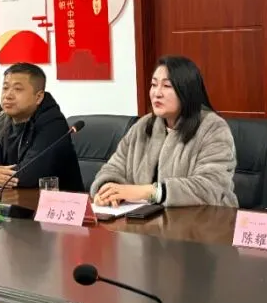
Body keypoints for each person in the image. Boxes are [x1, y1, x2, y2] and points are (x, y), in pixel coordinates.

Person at [90, 56, 238, 208]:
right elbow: (113, 168)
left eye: (167, 86)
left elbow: (211, 187)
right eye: (154, 85)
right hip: (146, 219)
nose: (157, 93)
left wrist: (150, 192)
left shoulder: (213, 128)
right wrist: (108, 191)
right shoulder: (143, 126)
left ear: (186, 91)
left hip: (204, 219)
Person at [0, 62, 83, 192]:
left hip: (54, 202)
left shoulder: (53, 123)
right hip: (8, 199)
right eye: (5, 88)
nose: (8, 95)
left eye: (18, 89)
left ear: (38, 97)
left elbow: (27, 176)